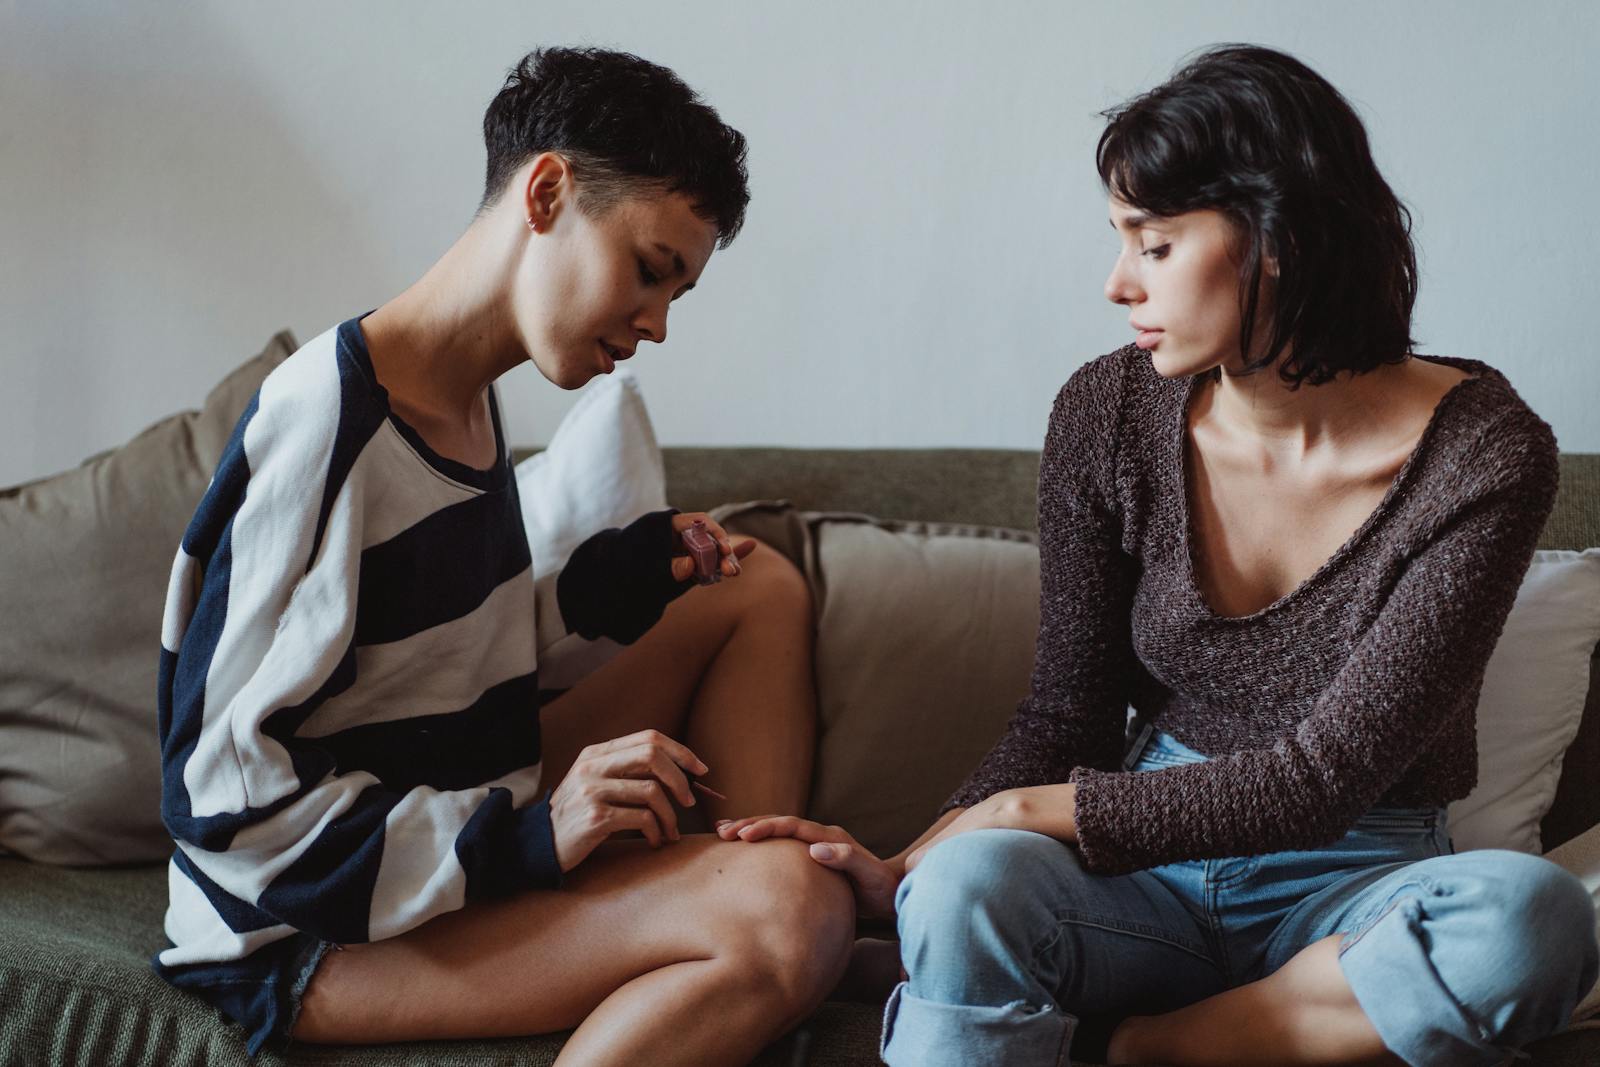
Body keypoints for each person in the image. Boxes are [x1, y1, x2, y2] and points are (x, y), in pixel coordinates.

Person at [718, 44, 1599, 1066]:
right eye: (1119, 238)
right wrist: (913, 862)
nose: (1116, 281)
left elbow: (1323, 777)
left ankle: (1142, 1047)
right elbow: (1066, 710)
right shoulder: (1106, 412)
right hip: (1134, 884)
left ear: (1277, 238)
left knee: (1530, 919)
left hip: (1352, 877)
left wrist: (1012, 810)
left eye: (1155, 242)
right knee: (963, 888)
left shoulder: (1485, 452)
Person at [152, 47, 853, 1065]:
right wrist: (528, 835)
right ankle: (743, 930)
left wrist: (624, 576)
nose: (656, 324)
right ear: (547, 191)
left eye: (676, 295)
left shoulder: (466, 404)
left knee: (759, 590)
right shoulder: (329, 423)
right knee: (797, 906)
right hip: (300, 927)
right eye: (650, 271)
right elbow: (222, 797)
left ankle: (718, 923)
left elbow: (429, 653)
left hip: (440, 813)